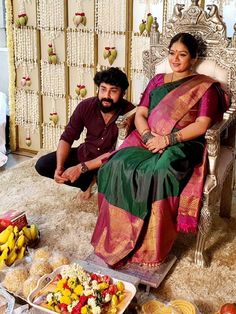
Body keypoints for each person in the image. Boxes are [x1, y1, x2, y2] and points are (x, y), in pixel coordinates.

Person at [91, 32, 229, 267]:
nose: (175, 59)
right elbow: (141, 113)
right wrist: (146, 135)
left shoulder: (205, 87)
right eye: (172, 53)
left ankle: (149, 246)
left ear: (193, 58)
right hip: (147, 136)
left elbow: (202, 125)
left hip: (183, 143)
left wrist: (168, 140)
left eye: (182, 54)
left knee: (159, 171)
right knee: (115, 164)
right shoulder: (156, 81)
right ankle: (117, 235)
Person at [35, 67, 134, 200]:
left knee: (112, 188)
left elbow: (117, 152)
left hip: (109, 163)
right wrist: (60, 166)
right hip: (86, 154)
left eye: (113, 91)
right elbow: (67, 137)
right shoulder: (86, 106)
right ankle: (86, 182)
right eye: (103, 89)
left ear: (122, 93)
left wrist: (80, 168)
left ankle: (95, 179)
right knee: (43, 165)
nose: (106, 95)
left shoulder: (130, 113)